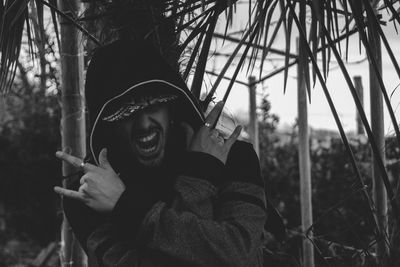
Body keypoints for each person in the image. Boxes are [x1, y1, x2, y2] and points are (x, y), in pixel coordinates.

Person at [54, 39, 269, 267]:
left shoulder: (234, 158)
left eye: (153, 104)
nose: (144, 124)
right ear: (107, 125)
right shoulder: (87, 196)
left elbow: (240, 255)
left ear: (172, 106)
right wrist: (201, 176)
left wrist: (125, 206)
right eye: (126, 113)